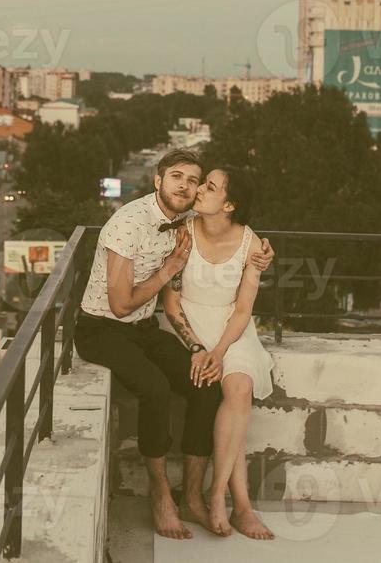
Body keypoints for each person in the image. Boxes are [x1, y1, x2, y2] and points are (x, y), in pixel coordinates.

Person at [73, 149, 273, 540]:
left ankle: (194, 497)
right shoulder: (126, 224)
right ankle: (162, 494)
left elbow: (236, 233)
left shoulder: (185, 217)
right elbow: (119, 303)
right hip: (102, 328)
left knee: (205, 387)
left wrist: (264, 252)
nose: (186, 186)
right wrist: (169, 269)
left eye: (194, 180)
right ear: (157, 180)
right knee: (155, 389)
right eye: (177, 177)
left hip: (144, 327)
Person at [161, 167, 275, 540]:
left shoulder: (253, 246)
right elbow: (171, 302)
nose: (198, 191)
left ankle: (216, 495)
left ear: (228, 204)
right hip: (188, 324)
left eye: (209, 187)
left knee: (239, 389)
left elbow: (243, 310)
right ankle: (240, 506)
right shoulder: (183, 232)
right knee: (231, 404)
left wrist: (221, 351)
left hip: (231, 327)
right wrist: (199, 347)